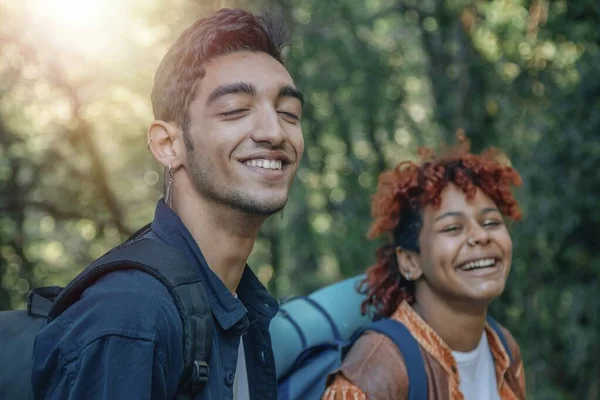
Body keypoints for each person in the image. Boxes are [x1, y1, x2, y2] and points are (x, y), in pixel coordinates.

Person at [32, 8, 304, 400]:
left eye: (288, 113)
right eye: (235, 110)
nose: (273, 131)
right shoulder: (131, 317)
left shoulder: (244, 309)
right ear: (167, 144)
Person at [323, 134, 526, 399]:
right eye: (453, 228)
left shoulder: (504, 348)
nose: (481, 236)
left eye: (491, 222)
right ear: (410, 261)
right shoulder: (378, 368)